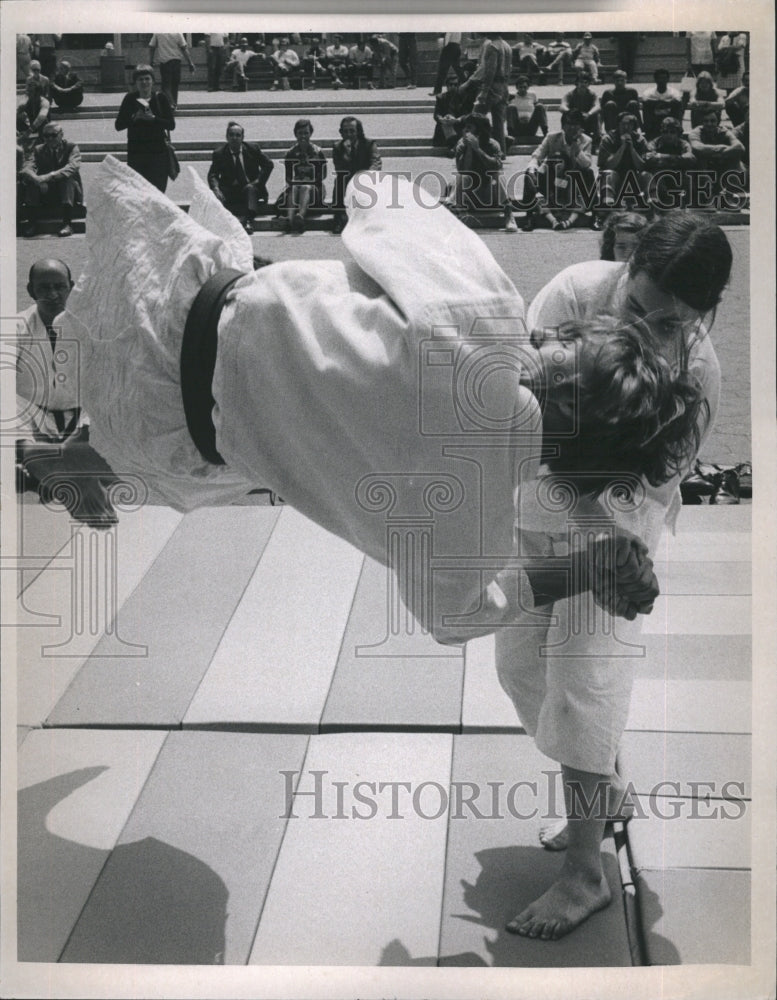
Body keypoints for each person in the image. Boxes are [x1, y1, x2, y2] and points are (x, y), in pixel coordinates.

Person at [29, 156, 679, 644]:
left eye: (563, 339)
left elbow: (372, 193)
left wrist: (390, 281)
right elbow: (455, 618)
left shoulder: (485, 319)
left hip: (188, 314)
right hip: (187, 431)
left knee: (307, 350)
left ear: (570, 388)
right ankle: (84, 461)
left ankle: (76, 458)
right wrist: (583, 569)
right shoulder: (476, 523)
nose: (547, 330)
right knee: (298, 434)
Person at [499, 210, 732, 940]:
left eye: (670, 323)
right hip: (532, 502)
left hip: (613, 541)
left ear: (704, 314)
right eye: (637, 308)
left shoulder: (697, 372)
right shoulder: (571, 294)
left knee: (580, 686)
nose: (645, 331)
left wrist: (605, 545)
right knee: (517, 670)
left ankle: (583, 874)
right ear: (624, 267)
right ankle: (603, 790)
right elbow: (521, 405)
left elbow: (652, 485)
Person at [16, 258, 83, 450]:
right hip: (30, 422)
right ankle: (30, 455)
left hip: (82, 423)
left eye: (60, 286)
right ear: (31, 290)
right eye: (44, 288)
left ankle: (56, 457)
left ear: (71, 287)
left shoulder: (90, 326)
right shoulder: (16, 325)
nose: (53, 294)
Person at [522, 109, 595, 231]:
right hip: (552, 181)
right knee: (528, 174)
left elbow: (586, 164)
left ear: (581, 127)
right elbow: (536, 156)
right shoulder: (552, 137)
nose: (572, 128)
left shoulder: (586, 140)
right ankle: (529, 216)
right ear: (563, 126)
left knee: (589, 173)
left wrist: (576, 147)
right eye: (569, 124)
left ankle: (595, 215)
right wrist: (532, 170)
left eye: (576, 124)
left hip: (572, 183)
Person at [444, 112, 518, 232]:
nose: (465, 130)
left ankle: (509, 215)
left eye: (469, 128)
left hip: (490, 196)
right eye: (465, 127)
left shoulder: (493, 144)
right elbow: (463, 170)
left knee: (497, 175)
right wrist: (469, 149)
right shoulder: (461, 145)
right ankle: (453, 211)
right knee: (460, 177)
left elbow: (495, 167)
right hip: (470, 196)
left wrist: (477, 149)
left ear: (479, 130)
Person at [115, 64, 175, 193]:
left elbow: (171, 124)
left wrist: (153, 118)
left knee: (157, 193)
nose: (144, 82)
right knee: (139, 193)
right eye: (140, 79)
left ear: (153, 81)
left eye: (147, 79)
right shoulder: (130, 99)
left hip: (158, 153)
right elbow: (118, 125)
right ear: (135, 82)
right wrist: (134, 118)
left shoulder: (161, 98)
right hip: (137, 153)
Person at [208, 122, 274, 234]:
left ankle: (248, 220)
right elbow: (213, 174)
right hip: (230, 190)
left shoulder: (252, 149)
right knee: (214, 196)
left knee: (250, 188)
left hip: (250, 188)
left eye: (238, 135)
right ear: (227, 137)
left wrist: (259, 181)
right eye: (231, 135)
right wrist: (216, 188)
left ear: (242, 138)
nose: (234, 138)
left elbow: (268, 164)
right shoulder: (219, 153)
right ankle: (223, 223)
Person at [19, 121, 83, 238]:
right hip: (46, 191)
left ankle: (67, 224)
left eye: (53, 135)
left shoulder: (71, 147)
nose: (50, 139)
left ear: (61, 134)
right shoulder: (38, 149)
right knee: (31, 183)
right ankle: (32, 223)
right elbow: (27, 167)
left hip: (67, 193)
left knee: (68, 180)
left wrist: (49, 176)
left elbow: (72, 167)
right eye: (46, 136)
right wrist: (37, 179)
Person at [458, 31, 512, 156]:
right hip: (503, 86)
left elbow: (490, 70)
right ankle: (500, 152)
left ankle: (467, 149)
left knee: (474, 118)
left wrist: (484, 91)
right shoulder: (506, 45)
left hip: (492, 87)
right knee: (498, 123)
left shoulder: (492, 46)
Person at [331, 117, 382, 234]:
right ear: (341, 132)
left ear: (358, 131)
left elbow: (376, 162)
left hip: (366, 178)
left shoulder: (369, 144)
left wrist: (366, 175)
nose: (349, 134)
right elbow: (339, 167)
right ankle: (339, 218)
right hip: (348, 179)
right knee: (339, 180)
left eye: (352, 131)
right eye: (345, 131)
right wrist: (347, 154)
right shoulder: (338, 146)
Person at [596, 111, 650, 220]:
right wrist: (622, 147)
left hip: (632, 180)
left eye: (630, 124)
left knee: (646, 175)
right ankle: (607, 206)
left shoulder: (640, 140)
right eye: (623, 124)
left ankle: (652, 205)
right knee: (609, 174)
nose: (626, 127)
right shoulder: (608, 139)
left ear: (634, 126)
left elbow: (643, 166)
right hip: (614, 180)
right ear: (618, 124)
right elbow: (608, 165)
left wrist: (631, 149)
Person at [688, 108, 746, 207]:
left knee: (737, 162)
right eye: (706, 121)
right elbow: (697, 147)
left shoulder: (724, 131)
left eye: (712, 121)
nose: (709, 124)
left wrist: (714, 153)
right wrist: (721, 148)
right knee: (701, 160)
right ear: (702, 122)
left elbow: (739, 147)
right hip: (703, 170)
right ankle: (706, 198)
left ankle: (730, 196)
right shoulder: (695, 132)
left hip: (720, 167)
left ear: (717, 122)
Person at [277, 119, 327, 232]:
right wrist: (296, 182)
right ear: (295, 134)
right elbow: (288, 177)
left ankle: (300, 216)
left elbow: (323, 175)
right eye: (300, 133)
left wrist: (308, 182)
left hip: (315, 191)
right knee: (294, 188)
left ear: (310, 134)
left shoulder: (318, 152)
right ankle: (289, 219)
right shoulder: (291, 153)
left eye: (306, 133)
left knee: (306, 187)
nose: (303, 136)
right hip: (296, 190)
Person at [148, 32, 195, 109]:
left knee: (166, 85)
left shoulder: (158, 32)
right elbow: (184, 48)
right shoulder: (178, 32)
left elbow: (152, 46)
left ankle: (171, 103)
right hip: (176, 61)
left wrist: (151, 60)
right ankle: (174, 103)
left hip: (165, 62)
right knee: (175, 84)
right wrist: (190, 62)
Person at [560, 71, 601, 151]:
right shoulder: (570, 94)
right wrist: (570, 112)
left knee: (596, 115)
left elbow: (597, 106)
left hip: (586, 119)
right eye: (581, 82)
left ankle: (596, 143)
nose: (583, 84)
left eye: (586, 82)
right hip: (575, 120)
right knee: (565, 115)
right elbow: (562, 106)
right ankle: (566, 140)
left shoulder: (592, 94)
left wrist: (589, 113)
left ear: (589, 84)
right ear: (577, 83)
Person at [641, 68, 684, 141]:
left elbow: (677, 100)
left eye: (664, 78)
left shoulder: (673, 91)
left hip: (670, 117)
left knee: (678, 105)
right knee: (646, 106)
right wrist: (665, 103)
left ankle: (678, 129)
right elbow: (645, 100)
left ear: (668, 79)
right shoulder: (649, 92)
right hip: (654, 119)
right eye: (659, 78)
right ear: (655, 79)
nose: (661, 80)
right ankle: (648, 131)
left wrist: (660, 103)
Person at [432, 78, 473, 154]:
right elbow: (436, 114)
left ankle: (453, 147)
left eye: (455, 85)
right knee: (446, 124)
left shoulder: (464, 97)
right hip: (445, 125)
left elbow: (469, 114)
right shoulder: (441, 97)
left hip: (458, 124)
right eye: (451, 84)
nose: (453, 87)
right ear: (447, 86)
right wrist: (441, 119)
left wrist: (458, 119)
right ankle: (454, 147)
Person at [506, 75, 548, 145]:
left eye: (525, 87)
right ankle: (510, 134)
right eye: (520, 87)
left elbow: (538, 110)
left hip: (530, 126)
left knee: (540, 106)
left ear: (528, 87)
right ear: (517, 87)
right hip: (517, 127)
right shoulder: (511, 96)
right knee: (511, 107)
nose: (522, 89)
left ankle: (546, 133)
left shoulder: (532, 95)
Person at [431, 32, 462, 96]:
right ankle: (467, 85)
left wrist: (443, 47)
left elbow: (448, 36)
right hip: (457, 45)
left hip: (449, 47)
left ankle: (437, 90)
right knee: (458, 69)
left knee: (442, 70)